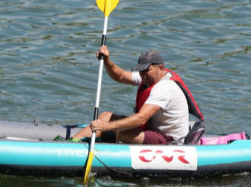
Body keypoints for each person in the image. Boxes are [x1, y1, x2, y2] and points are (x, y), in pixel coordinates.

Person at [73, 46, 203, 145]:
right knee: (105, 116)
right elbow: (120, 75)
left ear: (161, 68)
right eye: (141, 71)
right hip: (153, 130)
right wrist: (107, 60)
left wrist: (106, 127)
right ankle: (71, 145)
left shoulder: (164, 88)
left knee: (123, 132)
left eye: (147, 71)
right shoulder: (149, 78)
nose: (143, 75)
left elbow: (141, 118)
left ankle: (111, 154)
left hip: (170, 140)